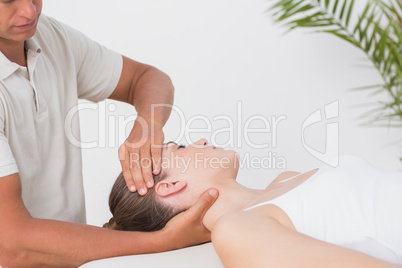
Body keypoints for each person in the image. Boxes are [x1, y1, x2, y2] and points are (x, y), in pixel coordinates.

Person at [0, 1, 218, 267]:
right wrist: (166, 240)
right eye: (7, 0)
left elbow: (145, 77)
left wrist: (148, 124)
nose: (30, 11)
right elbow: (12, 245)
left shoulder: (50, 36)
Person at [104, 139, 402, 267]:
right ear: (169, 187)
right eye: (180, 147)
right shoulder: (238, 231)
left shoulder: (285, 181)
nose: (203, 141)